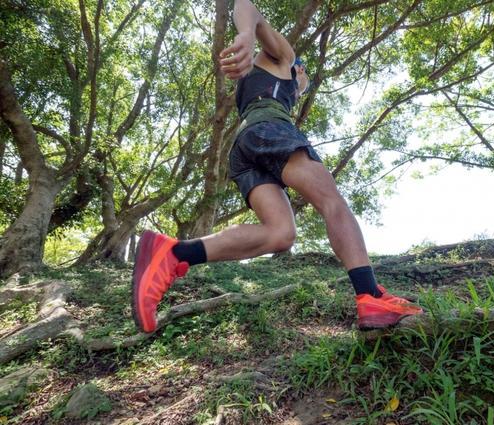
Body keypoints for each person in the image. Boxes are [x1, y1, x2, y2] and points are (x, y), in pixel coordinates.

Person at [131, 0, 423, 334]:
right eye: (302, 72)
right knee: (331, 201)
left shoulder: (271, 87)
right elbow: (248, 7)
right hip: (269, 131)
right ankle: (370, 296)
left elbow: (284, 95)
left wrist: (297, 89)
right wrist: (246, 34)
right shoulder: (281, 57)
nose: (303, 76)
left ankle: (174, 253)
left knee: (281, 234)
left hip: (245, 148)